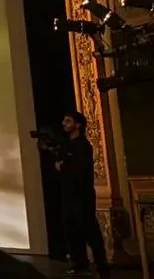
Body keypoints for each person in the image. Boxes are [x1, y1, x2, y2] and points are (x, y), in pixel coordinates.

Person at [56, 112, 109, 278]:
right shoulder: (66, 145)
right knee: (72, 231)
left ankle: (102, 267)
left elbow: (79, 170)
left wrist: (63, 167)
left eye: (68, 120)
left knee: (90, 231)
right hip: (68, 194)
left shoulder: (83, 146)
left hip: (82, 195)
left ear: (78, 124)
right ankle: (80, 264)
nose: (64, 123)